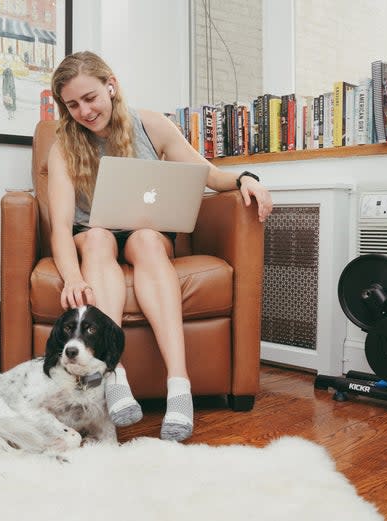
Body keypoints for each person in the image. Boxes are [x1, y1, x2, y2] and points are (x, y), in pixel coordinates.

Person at [47, 51, 273, 442]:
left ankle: (179, 386)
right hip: (94, 233)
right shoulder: (62, 145)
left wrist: (245, 179)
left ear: (110, 86)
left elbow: (209, 174)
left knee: (149, 240)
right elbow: (62, 225)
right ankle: (113, 375)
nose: (84, 110)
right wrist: (70, 276)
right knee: (99, 239)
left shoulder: (152, 125)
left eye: (90, 97)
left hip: (146, 231)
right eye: (73, 104)